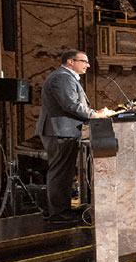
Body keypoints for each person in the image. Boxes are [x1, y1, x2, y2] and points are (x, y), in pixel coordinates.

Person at [36, 50, 113, 223]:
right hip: (59, 132)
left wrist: (94, 113)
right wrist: (95, 115)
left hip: (63, 131)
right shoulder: (62, 77)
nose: (87, 65)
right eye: (84, 61)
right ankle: (58, 214)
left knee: (64, 172)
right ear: (71, 62)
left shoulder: (65, 77)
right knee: (60, 172)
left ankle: (62, 209)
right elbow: (70, 105)